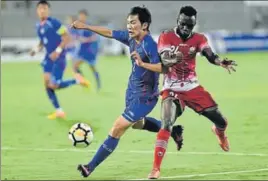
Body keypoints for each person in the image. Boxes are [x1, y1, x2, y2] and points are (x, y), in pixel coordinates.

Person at [72, 6, 184, 177]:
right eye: (128, 23)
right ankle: (172, 130)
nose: (129, 26)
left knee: (117, 127)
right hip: (131, 92)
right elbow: (109, 32)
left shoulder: (150, 45)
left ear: (144, 25)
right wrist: (86, 26)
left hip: (146, 97)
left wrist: (143, 64)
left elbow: (163, 68)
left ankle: (90, 166)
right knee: (138, 124)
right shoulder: (131, 38)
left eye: (133, 23)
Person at [147, 6, 238, 179]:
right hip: (172, 88)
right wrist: (171, 59)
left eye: (190, 25)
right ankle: (155, 169)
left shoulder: (199, 38)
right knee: (166, 122)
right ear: (178, 21)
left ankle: (219, 133)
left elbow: (209, 54)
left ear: (194, 24)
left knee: (222, 121)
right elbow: (164, 57)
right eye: (183, 24)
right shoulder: (166, 36)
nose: (186, 28)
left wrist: (220, 62)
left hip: (192, 88)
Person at [30, 0, 89, 120]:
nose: (42, 10)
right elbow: (42, 41)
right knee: (47, 84)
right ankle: (59, 111)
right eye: (40, 8)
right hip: (48, 57)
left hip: (59, 57)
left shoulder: (54, 22)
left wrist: (57, 51)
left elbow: (67, 37)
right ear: (37, 11)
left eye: (45, 8)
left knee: (54, 85)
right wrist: (36, 49)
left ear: (48, 10)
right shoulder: (38, 26)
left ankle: (76, 80)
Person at [73, 9, 101, 91]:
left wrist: (86, 39)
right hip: (81, 50)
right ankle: (83, 81)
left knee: (92, 68)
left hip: (89, 51)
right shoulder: (78, 26)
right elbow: (76, 36)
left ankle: (98, 84)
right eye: (80, 15)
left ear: (86, 16)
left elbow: (95, 37)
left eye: (82, 15)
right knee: (75, 67)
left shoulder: (89, 26)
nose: (81, 17)